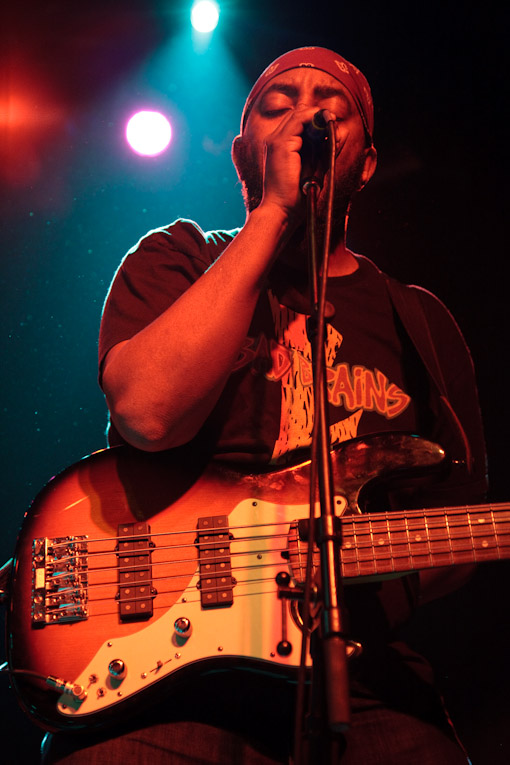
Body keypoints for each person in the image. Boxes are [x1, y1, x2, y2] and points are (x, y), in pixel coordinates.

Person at [43, 47, 487, 764]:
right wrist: (276, 212)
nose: (306, 115)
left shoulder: (421, 323)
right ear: (242, 153)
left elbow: (461, 509)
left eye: (331, 110)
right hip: (162, 683)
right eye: (278, 106)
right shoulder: (176, 259)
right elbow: (149, 414)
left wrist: (348, 571)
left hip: (362, 676)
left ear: (366, 164)